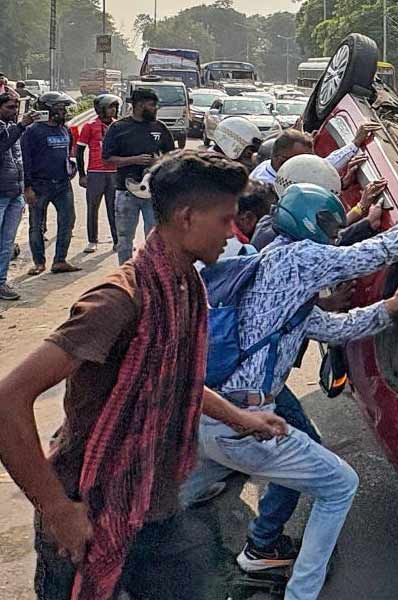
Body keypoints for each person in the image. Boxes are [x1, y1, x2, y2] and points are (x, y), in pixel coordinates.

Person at [185, 181, 398, 600]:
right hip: (243, 420)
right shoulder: (301, 257)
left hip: (214, 414)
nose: (332, 230)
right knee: (340, 484)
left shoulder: (274, 262)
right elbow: (374, 253)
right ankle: (301, 593)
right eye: (328, 221)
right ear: (308, 220)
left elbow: (331, 327)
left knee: (179, 496)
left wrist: (389, 308)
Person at [0, 150, 288, 600]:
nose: (233, 232)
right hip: (90, 504)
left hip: (154, 500)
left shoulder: (184, 285)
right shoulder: (118, 301)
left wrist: (241, 418)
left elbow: (176, 378)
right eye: (225, 219)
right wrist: (56, 508)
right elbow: (8, 398)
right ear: (187, 217)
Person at [102, 88, 175, 265]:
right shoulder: (118, 128)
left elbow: (173, 156)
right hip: (126, 193)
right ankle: (126, 275)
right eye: (152, 105)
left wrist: (159, 162)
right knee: (125, 239)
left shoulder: (159, 127)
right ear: (139, 105)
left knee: (155, 238)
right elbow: (107, 159)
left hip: (154, 194)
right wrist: (133, 160)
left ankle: (154, 273)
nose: (156, 109)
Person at [21, 91, 79, 275]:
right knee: (36, 224)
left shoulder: (65, 129)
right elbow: (25, 160)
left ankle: (60, 260)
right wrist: (27, 187)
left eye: (64, 108)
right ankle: (39, 262)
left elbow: (67, 152)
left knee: (67, 221)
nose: (64, 111)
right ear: (49, 109)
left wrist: (71, 168)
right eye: (60, 108)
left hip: (62, 184)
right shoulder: (32, 132)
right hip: (39, 185)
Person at [252, 122, 381, 185]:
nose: (309, 166)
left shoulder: (277, 169)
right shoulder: (268, 184)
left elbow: (322, 166)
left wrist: (354, 144)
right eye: (303, 161)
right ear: (280, 160)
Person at [0, 91, 33, 300]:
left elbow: (21, 161)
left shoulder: (12, 129)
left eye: (15, 107)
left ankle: (1, 282)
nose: (14, 111)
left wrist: (24, 188)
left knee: (7, 242)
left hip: (14, 193)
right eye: (9, 107)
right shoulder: (13, 130)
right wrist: (21, 126)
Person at [77, 94, 120, 254]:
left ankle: (117, 241)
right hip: (95, 172)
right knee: (92, 207)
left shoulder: (117, 126)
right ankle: (92, 240)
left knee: (114, 208)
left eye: (115, 106)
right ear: (101, 109)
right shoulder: (89, 126)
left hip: (114, 172)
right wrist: (82, 174)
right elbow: (80, 151)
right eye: (110, 107)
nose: (113, 110)